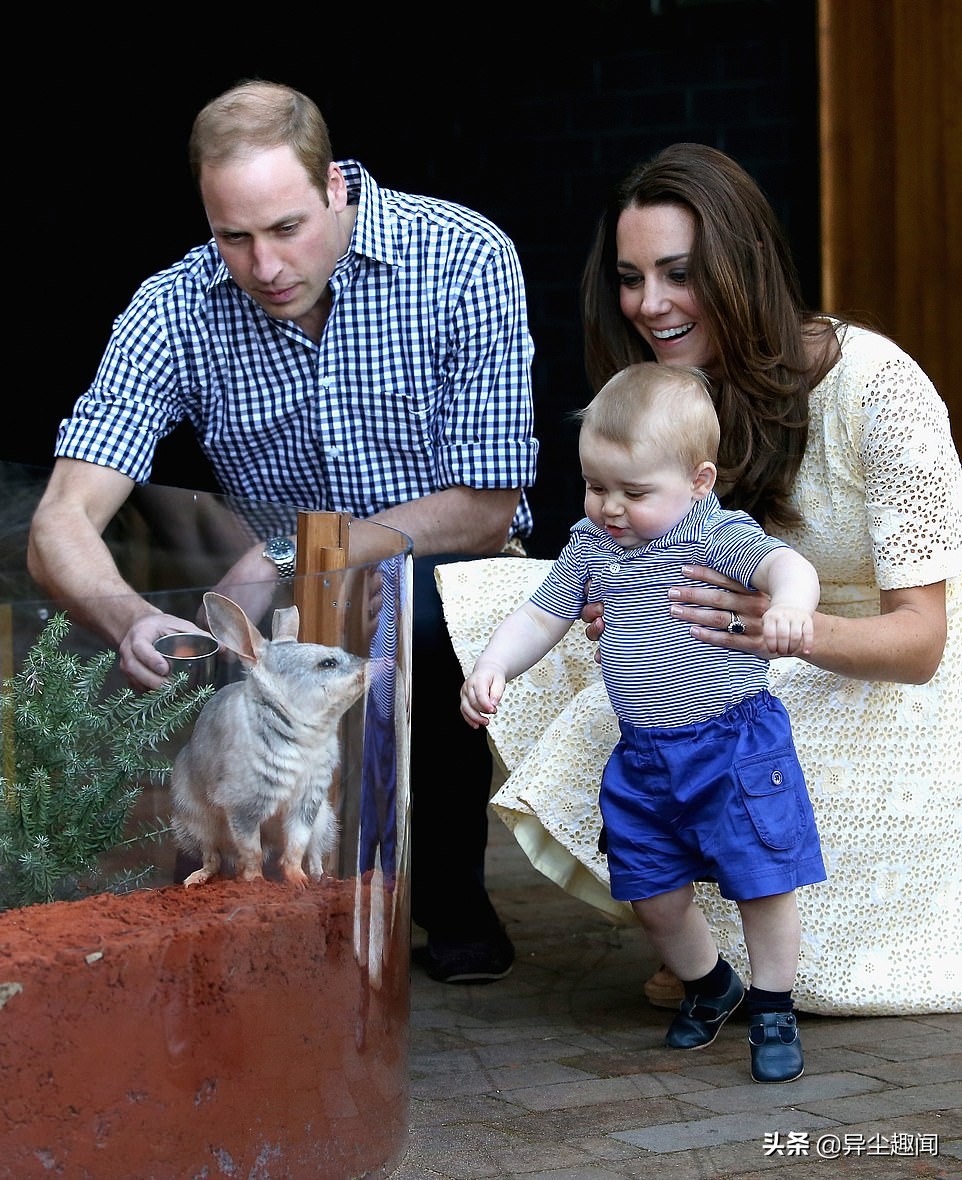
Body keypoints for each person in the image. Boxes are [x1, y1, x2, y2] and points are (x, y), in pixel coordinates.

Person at [26, 79, 538, 984]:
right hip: (276, 598)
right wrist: (128, 614)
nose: (263, 266)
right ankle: (230, 901)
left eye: (288, 228)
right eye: (234, 237)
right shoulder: (175, 308)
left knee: (410, 611)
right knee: (209, 659)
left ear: (337, 186)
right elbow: (60, 520)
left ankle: (443, 893)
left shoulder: (464, 256)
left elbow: (489, 502)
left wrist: (292, 553)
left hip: (445, 562)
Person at [436, 141, 962, 1018]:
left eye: (678, 273)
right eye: (631, 277)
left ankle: (757, 954)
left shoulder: (878, 385)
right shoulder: (671, 395)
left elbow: (924, 642)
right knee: (488, 605)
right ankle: (662, 934)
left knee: (725, 738)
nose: (649, 304)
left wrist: (772, 627)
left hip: (879, 672)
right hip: (730, 641)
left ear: (741, 266)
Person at [460, 362, 822, 1082]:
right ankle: (710, 983)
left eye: (634, 492)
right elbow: (542, 613)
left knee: (762, 880)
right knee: (651, 891)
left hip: (733, 745)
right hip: (645, 758)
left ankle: (773, 1005)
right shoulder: (590, 546)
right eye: (597, 487)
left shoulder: (715, 535)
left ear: (697, 481)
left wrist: (789, 603)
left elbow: (787, 565)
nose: (612, 508)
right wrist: (494, 665)